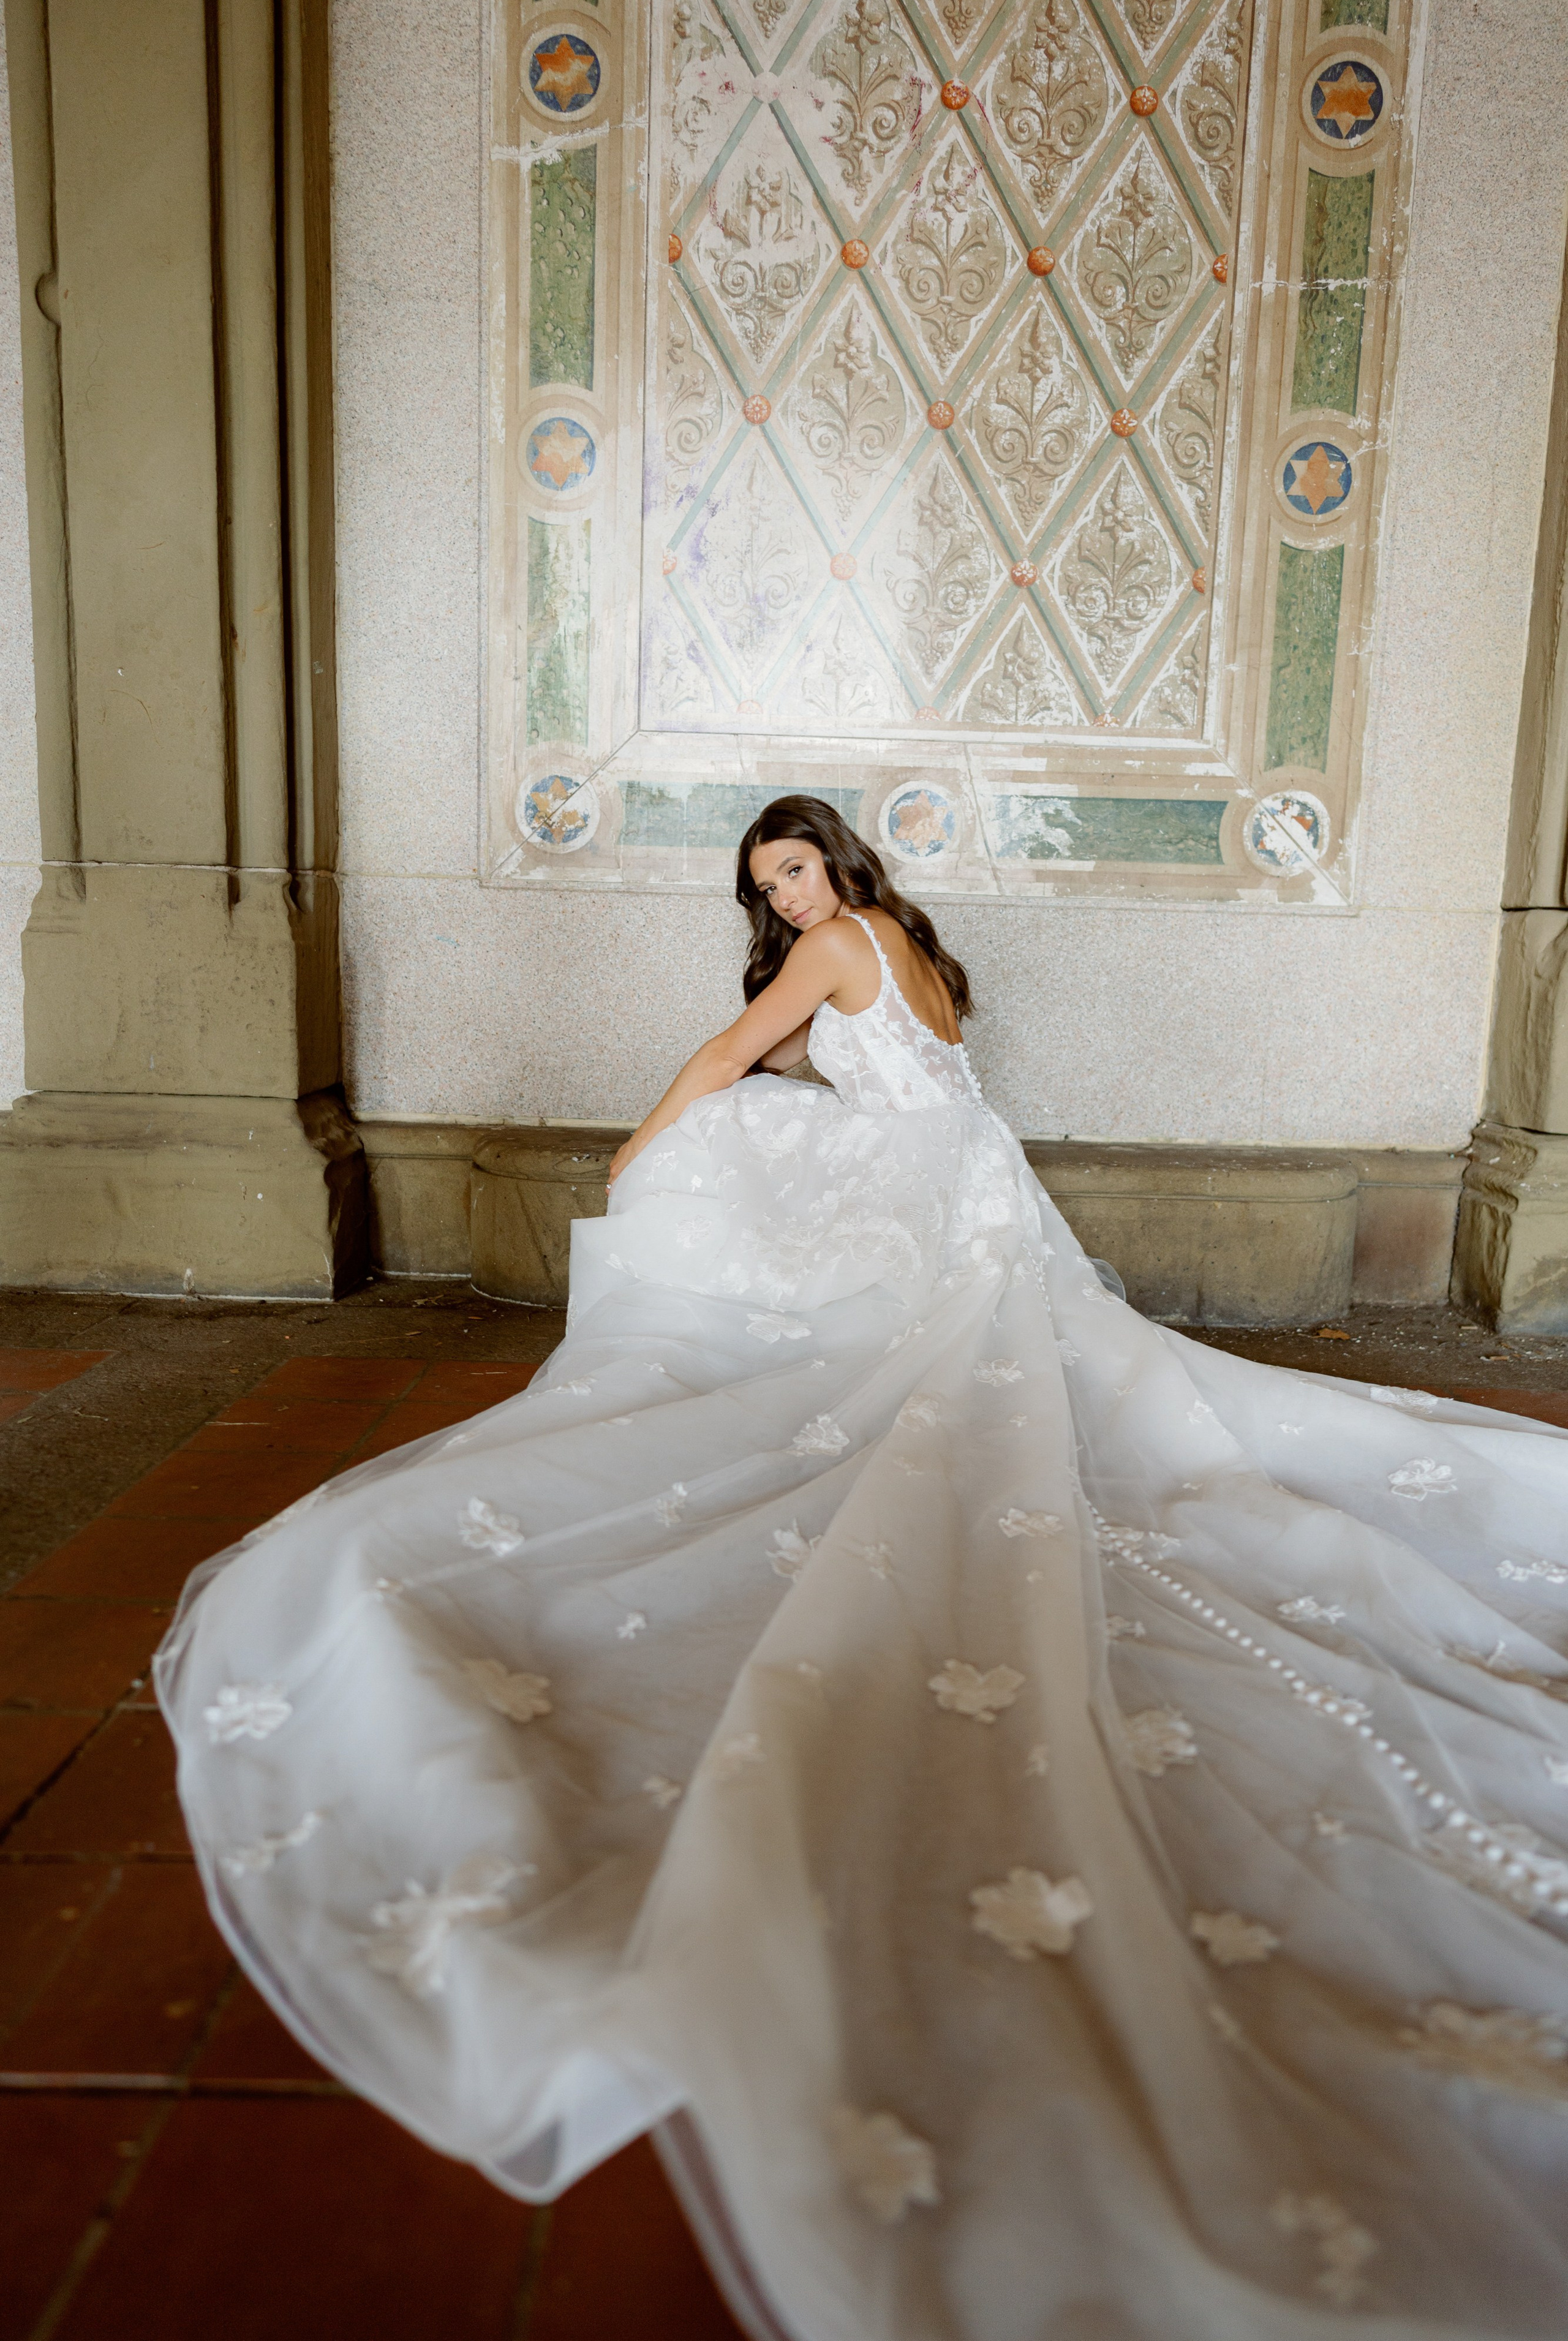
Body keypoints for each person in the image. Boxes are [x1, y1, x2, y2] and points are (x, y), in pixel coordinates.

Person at [159, 796, 1568, 2341]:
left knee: (721, 1151)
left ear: (834, 863)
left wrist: (638, 1151)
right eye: (763, 882)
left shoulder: (834, 946)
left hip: (929, 1211)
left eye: (792, 868)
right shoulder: (907, 948)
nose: (783, 895)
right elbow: (881, 1081)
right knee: (835, 1201)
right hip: (978, 1196)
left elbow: (723, 1055)